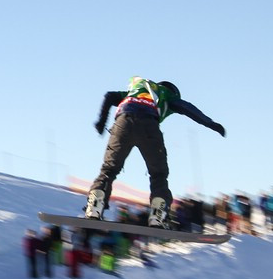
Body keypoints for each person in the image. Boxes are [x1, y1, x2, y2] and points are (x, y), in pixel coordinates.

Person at [85, 77, 225, 228]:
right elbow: (188, 108)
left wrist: (101, 121)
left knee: (109, 169)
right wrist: (210, 123)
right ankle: (157, 216)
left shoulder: (136, 90)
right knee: (158, 174)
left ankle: (94, 207)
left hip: (122, 123)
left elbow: (109, 96)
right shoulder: (168, 95)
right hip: (149, 125)